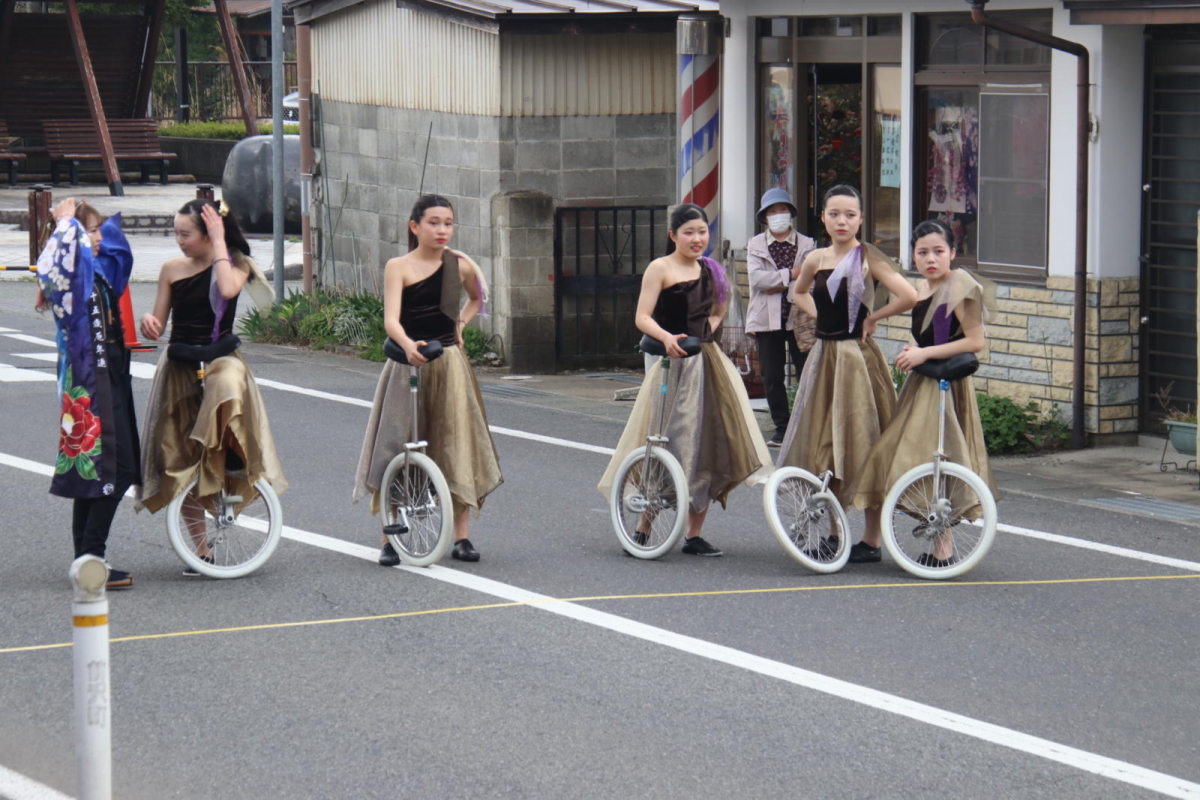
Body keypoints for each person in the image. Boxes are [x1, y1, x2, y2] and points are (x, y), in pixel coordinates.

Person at [599, 204, 771, 558]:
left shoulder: (711, 269)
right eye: (689, 232)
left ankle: (694, 534)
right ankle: (645, 526)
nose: (697, 238)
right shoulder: (659, 268)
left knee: (707, 442)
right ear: (673, 235)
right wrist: (667, 337)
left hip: (708, 364)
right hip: (673, 366)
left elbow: (722, 304)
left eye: (702, 231)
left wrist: (710, 324)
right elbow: (642, 317)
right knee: (668, 439)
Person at [136, 199, 287, 575]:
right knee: (181, 461)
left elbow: (226, 289)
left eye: (186, 234)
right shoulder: (172, 269)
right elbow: (159, 318)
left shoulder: (235, 264)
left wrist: (221, 241)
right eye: (176, 233)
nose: (179, 241)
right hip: (181, 364)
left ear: (208, 234)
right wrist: (148, 323)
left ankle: (228, 450)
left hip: (219, 357)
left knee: (228, 383)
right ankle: (202, 549)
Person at [354, 194, 502, 565]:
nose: (442, 230)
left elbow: (477, 299)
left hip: (450, 363)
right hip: (407, 363)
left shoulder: (461, 264)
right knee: (397, 442)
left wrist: (460, 327)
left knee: (455, 442)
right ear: (414, 226)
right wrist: (407, 346)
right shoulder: (398, 266)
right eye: (434, 222)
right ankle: (389, 536)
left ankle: (462, 536)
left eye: (448, 223)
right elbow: (390, 319)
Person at [777, 185, 918, 563]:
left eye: (850, 214)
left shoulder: (868, 256)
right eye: (835, 213)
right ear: (822, 217)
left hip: (858, 360)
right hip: (824, 360)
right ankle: (836, 534)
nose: (842, 220)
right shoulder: (815, 258)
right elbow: (798, 292)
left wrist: (874, 317)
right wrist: (821, 317)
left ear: (860, 219)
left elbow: (909, 296)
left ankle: (871, 541)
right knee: (826, 444)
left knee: (866, 440)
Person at [849, 220, 998, 565]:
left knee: (936, 459)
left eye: (938, 251)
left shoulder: (960, 284)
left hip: (946, 386)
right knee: (922, 459)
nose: (931, 259)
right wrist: (914, 347)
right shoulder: (924, 287)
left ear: (953, 253)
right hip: (923, 383)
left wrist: (924, 353)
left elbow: (975, 341)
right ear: (913, 257)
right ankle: (896, 540)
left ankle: (942, 549)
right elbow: (930, 335)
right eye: (922, 252)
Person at [36, 199, 139, 589]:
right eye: (90, 231)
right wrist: (65, 223)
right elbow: (55, 264)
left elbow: (119, 250)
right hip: (90, 381)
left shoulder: (95, 272)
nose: (98, 238)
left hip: (108, 374)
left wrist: (81, 223)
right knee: (116, 469)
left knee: (99, 470)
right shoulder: (73, 277)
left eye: (95, 230)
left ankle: (86, 560)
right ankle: (92, 558)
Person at [746, 187, 816, 446]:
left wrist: (784, 279)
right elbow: (758, 280)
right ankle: (781, 428)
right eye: (772, 211)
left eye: (782, 209)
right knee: (772, 375)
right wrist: (793, 274)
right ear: (765, 217)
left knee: (807, 372)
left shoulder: (807, 244)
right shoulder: (756, 244)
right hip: (767, 319)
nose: (778, 215)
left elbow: (810, 281)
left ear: (791, 213)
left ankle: (805, 425)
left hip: (800, 318)